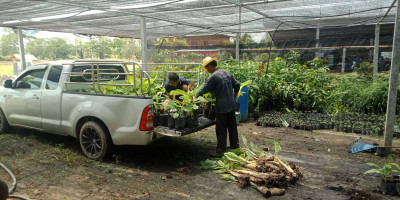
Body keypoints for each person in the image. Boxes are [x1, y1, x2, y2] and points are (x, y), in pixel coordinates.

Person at [196, 57, 241, 155]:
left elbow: (202, 90)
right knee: (232, 126)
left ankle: (220, 150)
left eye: (207, 68)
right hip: (231, 104)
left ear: (210, 66)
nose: (207, 71)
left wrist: (195, 99)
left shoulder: (213, 76)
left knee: (221, 129)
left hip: (221, 107)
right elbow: (237, 85)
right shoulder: (226, 72)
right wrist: (234, 96)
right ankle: (235, 146)